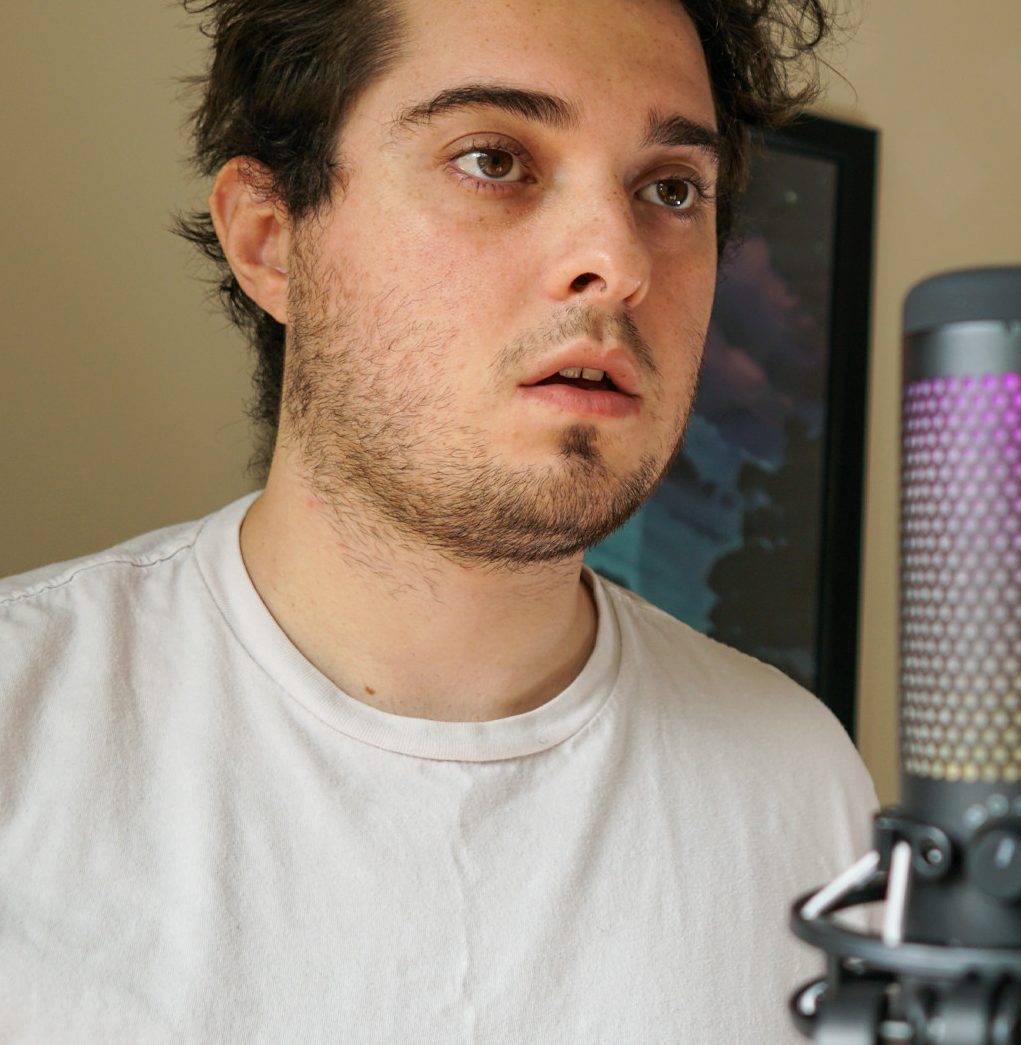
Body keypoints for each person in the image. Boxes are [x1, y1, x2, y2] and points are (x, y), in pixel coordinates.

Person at [0, 0, 875, 1040]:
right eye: (494, 160)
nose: (621, 261)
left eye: (671, 189)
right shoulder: (25, 728)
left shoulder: (803, 785)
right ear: (271, 241)